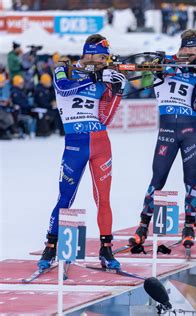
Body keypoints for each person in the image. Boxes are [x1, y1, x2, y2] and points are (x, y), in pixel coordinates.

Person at [37, 34, 126, 271]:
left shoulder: (103, 77)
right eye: (100, 57)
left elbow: (105, 117)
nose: (104, 61)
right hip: (75, 145)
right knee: (65, 198)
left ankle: (106, 249)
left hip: (100, 144)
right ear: (87, 53)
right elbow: (63, 89)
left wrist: (117, 91)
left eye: (106, 58)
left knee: (104, 199)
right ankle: (51, 246)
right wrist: (95, 77)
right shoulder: (63, 69)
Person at [130, 29, 196, 252]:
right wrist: (167, 65)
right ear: (185, 47)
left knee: (191, 180)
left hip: (190, 130)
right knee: (157, 179)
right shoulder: (164, 63)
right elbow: (148, 77)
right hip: (167, 131)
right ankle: (143, 226)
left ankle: (189, 227)